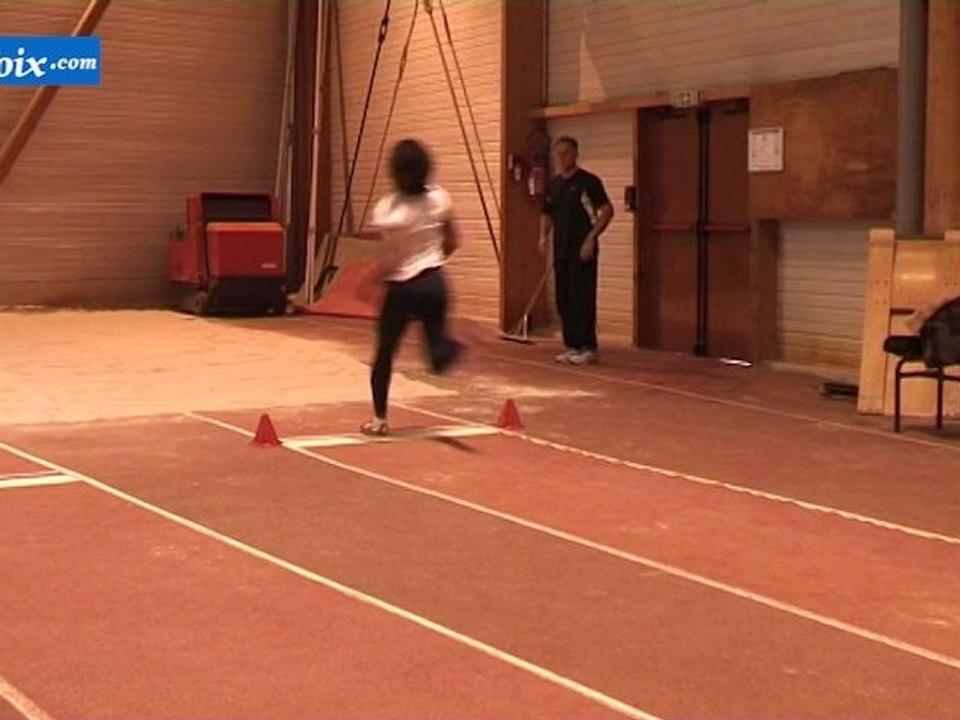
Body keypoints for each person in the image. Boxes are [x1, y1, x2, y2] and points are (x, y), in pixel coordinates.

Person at [359, 138, 465, 436]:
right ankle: (450, 348)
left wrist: (369, 280)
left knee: (384, 354)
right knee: (438, 360)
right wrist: (432, 264)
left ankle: (379, 420)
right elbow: (454, 241)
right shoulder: (439, 198)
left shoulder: (388, 208)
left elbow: (390, 259)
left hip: (401, 289)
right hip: (434, 283)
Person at [539, 135, 613, 365]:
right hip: (561, 249)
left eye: (566, 153)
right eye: (558, 153)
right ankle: (571, 345)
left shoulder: (588, 182)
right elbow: (547, 213)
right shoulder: (554, 185)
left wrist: (591, 238)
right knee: (564, 297)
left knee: (583, 297)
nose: (562, 158)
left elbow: (607, 210)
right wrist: (543, 236)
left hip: (583, 249)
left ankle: (588, 346)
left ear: (575, 154)